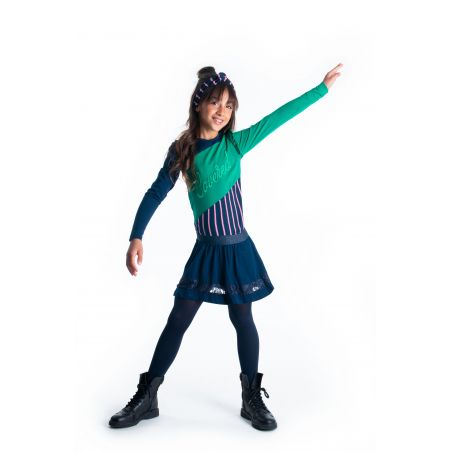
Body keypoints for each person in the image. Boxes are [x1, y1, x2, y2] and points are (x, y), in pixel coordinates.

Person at [109, 63, 342, 431]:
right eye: (215, 102)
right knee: (178, 319)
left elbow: (278, 117)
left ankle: (251, 398)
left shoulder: (234, 144)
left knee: (242, 318)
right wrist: (136, 235)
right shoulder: (182, 150)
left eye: (229, 105)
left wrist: (321, 89)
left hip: (237, 251)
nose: (222, 111)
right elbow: (156, 192)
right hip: (206, 251)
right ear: (199, 104)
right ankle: (148, 396)